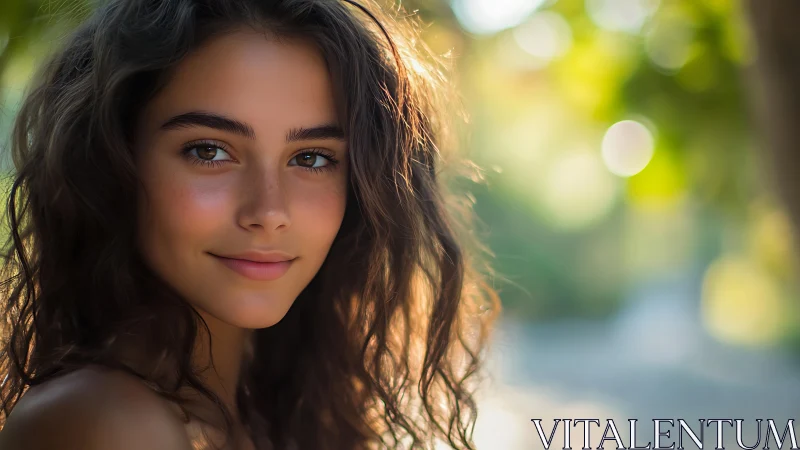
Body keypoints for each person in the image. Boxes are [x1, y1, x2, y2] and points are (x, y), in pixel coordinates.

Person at [0, 0, 500, 449]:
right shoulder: (101, 424)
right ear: (112, 162)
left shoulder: (273, 417)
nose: (268, 212)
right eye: (209, 151)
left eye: (311, 158)